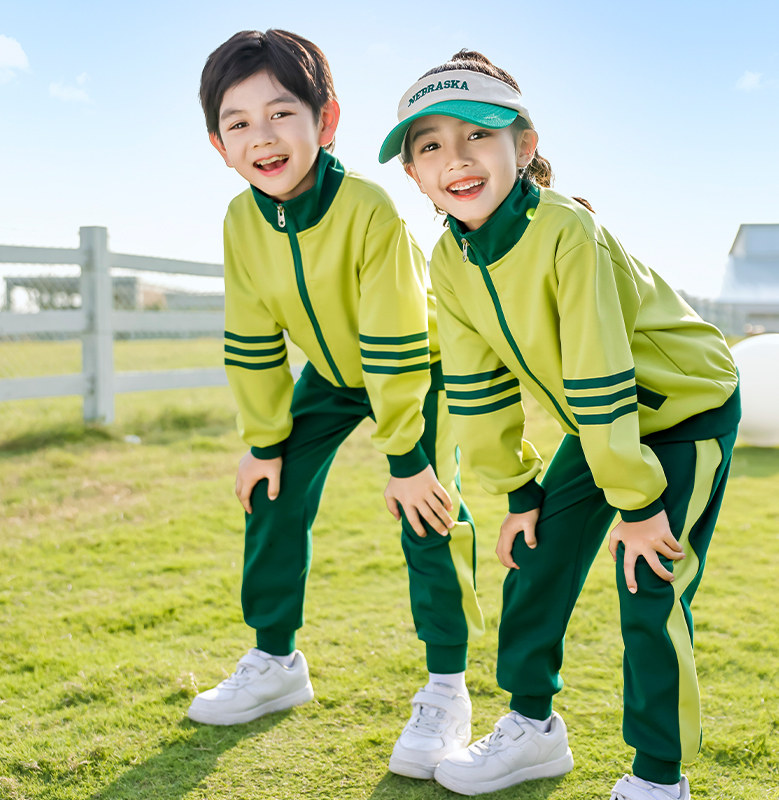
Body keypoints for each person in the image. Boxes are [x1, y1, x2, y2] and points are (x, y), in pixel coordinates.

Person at [379, 49, 740, 800]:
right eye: (430, 146)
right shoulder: (449, 258)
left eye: (477, 134)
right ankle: (534, 731)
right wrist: (519, 492)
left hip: (684, 411)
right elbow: (478, 393)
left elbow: (600, 375)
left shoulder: (567, 229)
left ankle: (657, 778)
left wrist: (640, 508)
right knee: (537, 557)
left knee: (648, 579)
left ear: (526, 146)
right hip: (602, 427)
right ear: (413, 174)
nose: (457, 159)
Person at [188, 30, 483, 778]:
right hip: (330, 373)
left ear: (325, 122)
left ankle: (447, 686)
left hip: (421, 367)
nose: (263, 136)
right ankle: (275, 660)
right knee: (272, 490)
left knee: (426, 508)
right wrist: (262, 441)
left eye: (282, 113)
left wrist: (408, 459)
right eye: (238, 122)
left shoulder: (369, 208)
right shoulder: (238, 222)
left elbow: (391, 337)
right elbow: (251, 339)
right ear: (219, 145)